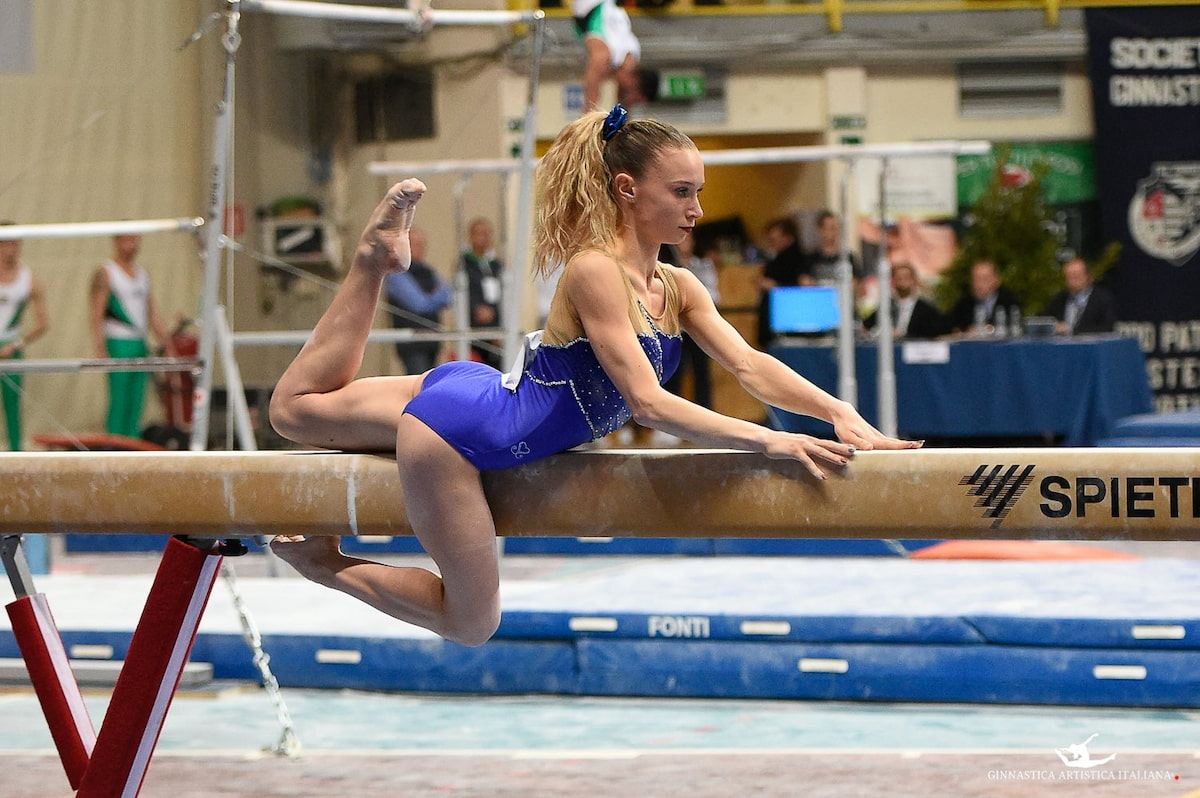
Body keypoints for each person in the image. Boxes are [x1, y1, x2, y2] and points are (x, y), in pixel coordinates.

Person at [266, 106, 919, 647]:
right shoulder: (595, 270)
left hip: (485, 395)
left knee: (294, 411)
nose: (697, 209)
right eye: (682, 192)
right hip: (463, 435)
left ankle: (373, 261)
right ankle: (324, 564)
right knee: (471, 622)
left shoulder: (678, 286)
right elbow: (647, 402)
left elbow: (751, 365)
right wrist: (769, 440)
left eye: (698, 192)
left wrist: (838, 412)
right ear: (627, 189)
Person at [89, 234, 173, 437]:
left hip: (140, 343)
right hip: (118, 342)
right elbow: (96, 313)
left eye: (135, 240)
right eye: (127, 240)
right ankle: (113, 445)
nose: (132, 245)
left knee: (137, 400)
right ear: (116, 241)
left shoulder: (142, 274)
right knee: (119, 398)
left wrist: (167, 342)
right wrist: (99, 347)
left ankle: (132, 444)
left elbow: (151, 312)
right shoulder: (106, 272)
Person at [0, 221, 49, 450]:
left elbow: (42, 323)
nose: (13, 248)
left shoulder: (29, 279)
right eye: (7, 243)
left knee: (13, 406)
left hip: (12, 347)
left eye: (16, 243)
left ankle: (15, 453)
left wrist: (16, 344)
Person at [384, 227, 452, 375]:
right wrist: (436, 297)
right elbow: (419, 305)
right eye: (415, 244)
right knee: (417, 383)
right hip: (412, 344)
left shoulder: (429, 271)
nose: (420, 248)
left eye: (422, 244)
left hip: (433, 341)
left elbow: (448, 296)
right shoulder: (396, 273)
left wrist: (434, 298)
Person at [664, 234, 718, 409]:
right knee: (673, 372)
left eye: (687, 240)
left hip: (698, 328)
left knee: (702, 371)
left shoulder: (703, 265)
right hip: (675, 328)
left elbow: (714, 295)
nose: (683, 244)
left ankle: (706, 413)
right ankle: (671, 416)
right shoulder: (666, 267)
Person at [573, 0, 653, 112]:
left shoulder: (633, 54)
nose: (629, 101)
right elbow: (591, 90)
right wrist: (588, 115)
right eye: (632, 95)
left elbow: (623, 98)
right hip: (592, 5)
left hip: (603, 8)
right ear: (635, 82)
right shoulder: (606, 54)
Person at [460, 218, 504, 370]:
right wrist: (476, 309)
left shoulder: (496, 265)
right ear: (470, 236)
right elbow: (463, 293)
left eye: (486, 234)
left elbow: (502, 296)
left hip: (495, 328)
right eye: (478, 234)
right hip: (473, 328)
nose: (482, 238)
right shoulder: (464, 264)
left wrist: (497, 319)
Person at [863, 263, 946, 340]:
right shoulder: (887, 306)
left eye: (906, 277)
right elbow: (866, 327)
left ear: (914, 280)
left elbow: (936, 333)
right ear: (893, 281)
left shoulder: (926, 308)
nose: (902, 280)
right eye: (899, 277)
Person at [758, 216, 806, 348]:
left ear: (787, 237)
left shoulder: (797, 259)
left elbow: (801, 289)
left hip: (786, 321)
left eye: (774, 239)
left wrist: (775, 287)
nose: (772, 243)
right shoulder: (776, 258)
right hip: (774, 319)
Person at [1042, 257, 1117, 335]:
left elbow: (1107, 328)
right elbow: (1044, 321)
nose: (1072, 281)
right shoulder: (1059, 300)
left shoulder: (1103, 299)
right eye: (1068, 276)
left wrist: (1072, 330)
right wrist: (1053, 327)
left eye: (1076, 276)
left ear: (1088, 276)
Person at [946, 259, 1021, 335]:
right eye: (976, 279)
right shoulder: (964, 303)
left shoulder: (1009, 301)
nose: (979, 283)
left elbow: (1015, 326)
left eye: (985, 278)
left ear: (997, 280)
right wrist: (964, 331)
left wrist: (990, 329)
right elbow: (950, 325)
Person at [803, 210, 861, 286]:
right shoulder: (809, 258)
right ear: (820, 230)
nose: (830, 232)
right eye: (826, 228)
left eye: (833, 228)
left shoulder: (848, 257)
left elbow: (855, 283)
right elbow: (804, 282)